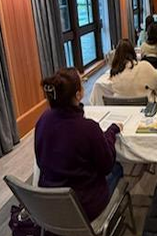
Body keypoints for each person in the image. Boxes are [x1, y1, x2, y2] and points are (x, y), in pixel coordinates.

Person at [35, 68, 123, 221]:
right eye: (82, 82)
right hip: (84, 208)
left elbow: (40, 161)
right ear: (78, 95)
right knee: (117, 169)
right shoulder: (88, 128)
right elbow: (107, 165)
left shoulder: (43, 120)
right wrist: (111, 131)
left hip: (51, 203)